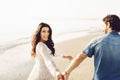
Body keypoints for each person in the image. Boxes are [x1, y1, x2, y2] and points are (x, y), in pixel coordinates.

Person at [59, 14, 120, 80]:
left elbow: (80, 58)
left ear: (108, 24)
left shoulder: (97, 41)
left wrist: (66, 72)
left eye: (103, 26)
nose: (102, 29)